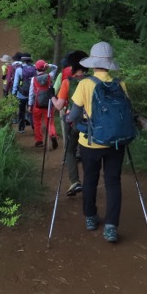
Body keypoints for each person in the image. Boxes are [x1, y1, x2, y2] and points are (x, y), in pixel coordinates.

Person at [66, 41, 128, 243]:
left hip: (91, 143)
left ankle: (91, 218)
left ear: (93, 64)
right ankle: (111, 227)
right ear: (110, 63)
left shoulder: (85, 84)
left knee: (90, 178)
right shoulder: (120, 84)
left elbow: (73, 115)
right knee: (113, 182)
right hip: (116, 143)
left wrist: (74, 119)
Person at [51, 50, 88, 196]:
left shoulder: (67, 82)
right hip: (91, 123)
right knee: (87, 151)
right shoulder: (92, 80)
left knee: (70, 151)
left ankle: (75, 181)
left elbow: (59, 105)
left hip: (72, 121)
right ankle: (90, 181)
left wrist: (51, 97)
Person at [29, 59, 58, 148]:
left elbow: (31, 93)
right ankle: (52, 134)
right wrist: (48, 65)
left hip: (37, 104)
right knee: (50, 122)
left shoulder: (33, 79)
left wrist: (30, 104)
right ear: (44, 68)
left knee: (37, 122)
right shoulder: (50, 76)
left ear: (36, 68)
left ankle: (39, 141)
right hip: (48, 104)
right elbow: (55, 68)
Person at [11, 54, 35, 132]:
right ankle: (34, 127)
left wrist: (14, 93)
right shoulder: (34, 68)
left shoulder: (19, 69)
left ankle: (21, 128)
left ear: (23, 61)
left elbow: (16, 83)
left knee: (21, 111)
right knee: (31, 110)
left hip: (21, 94)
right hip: (32, 94)